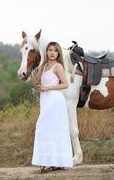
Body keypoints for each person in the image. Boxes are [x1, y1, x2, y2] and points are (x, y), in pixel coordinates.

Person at [32, 42, 73, 173]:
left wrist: (47, 88)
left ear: (58, 53)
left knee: (45, 126)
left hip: (55, 100)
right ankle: (53, 162)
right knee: (49, 129)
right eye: (50, 50)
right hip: (45, 100)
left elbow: (65, 84)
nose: (52, 52)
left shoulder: (58, 66)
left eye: (55, 51)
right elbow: (36, 81)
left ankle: (53, 162)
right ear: (47, 52)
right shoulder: (44, 67)